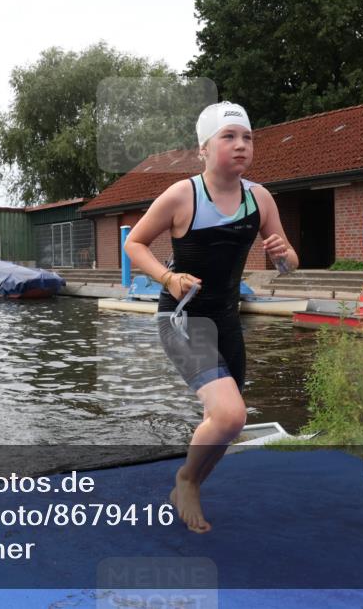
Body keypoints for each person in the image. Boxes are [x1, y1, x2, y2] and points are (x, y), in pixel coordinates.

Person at [123, 101, 298, 533]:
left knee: (225, 424)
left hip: (226, 320)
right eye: (229, 137)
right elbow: (135, 244)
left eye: (247, 138)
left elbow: (289, 262)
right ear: (203, 149)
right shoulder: (184, 195)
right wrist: (168, 278)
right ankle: (186, 481)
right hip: (184, 318)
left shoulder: (259, 198)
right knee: (230, 416)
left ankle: (190, 481)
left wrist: (282, 258)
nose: (241, 146)